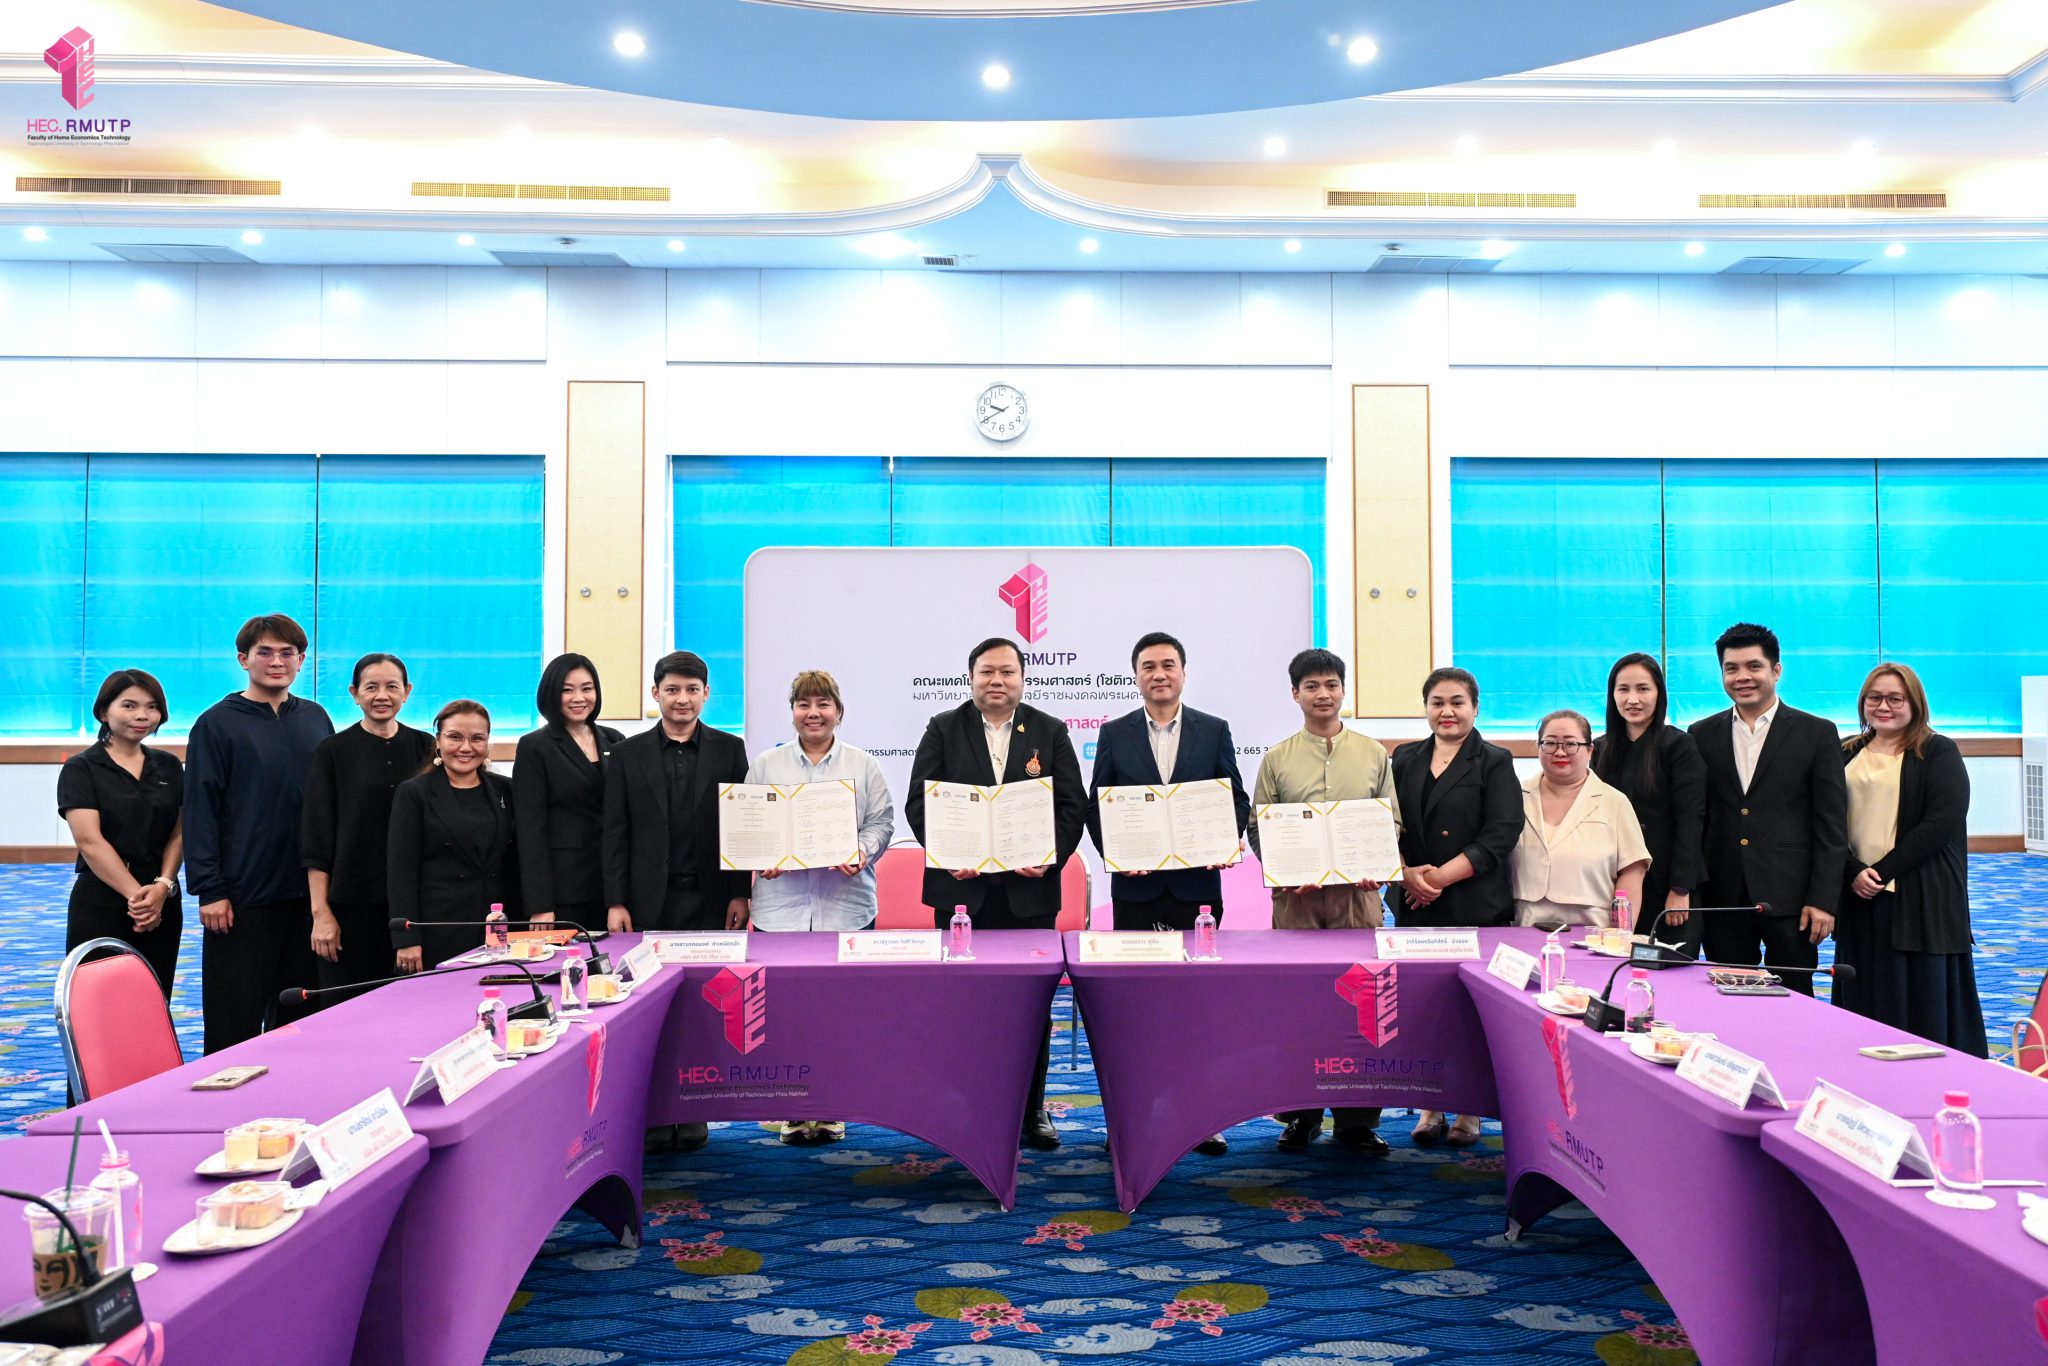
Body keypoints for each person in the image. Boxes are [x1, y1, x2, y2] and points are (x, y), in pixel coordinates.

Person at [906, 636, 1085, 1152]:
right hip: (962, 896)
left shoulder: (1049, 731)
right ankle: (967, 1109)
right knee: (964, 1008)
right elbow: (920, 802)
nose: (997, 681)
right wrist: (947, 852)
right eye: (987, 672)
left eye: (1007, 672)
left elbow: (1071, 806)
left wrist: (1048, 857)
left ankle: (1033, 1109)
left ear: (1023, 678)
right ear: (971, 677)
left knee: (1031, 1008)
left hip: (1029, 896)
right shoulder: (943, 728)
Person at [1086, 630, 1250, 1157]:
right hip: (1136, 891)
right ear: (1136, 676)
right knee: (1137, 1006)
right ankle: (1131, 1117)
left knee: (1195, 1005)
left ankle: (1201, 1117)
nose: (1159, 674)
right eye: (1149, 666)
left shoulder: (1214, 730)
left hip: (1195, 889)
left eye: (1168, 665)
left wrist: (1223, 840)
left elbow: (1235, 798)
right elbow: (1098, 805)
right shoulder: (1115, 733)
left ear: (1183, 672)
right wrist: (1119, 854)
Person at [602, 650, 750, 1156]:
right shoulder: (626, 754)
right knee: (646, 1010)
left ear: (706, 694)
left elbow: (741, 828)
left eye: (691, 690)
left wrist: (740, 891)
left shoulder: (731, 749)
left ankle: (692, 1109)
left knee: (703, 1006)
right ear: (656, 694)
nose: (681, 699)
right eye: (672, 690)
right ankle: (652, 1112)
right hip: (647, 903)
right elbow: (615, 832)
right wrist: (616, 900)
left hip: (710, 899)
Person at [1249, 648, 1395, 1157]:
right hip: (1299, 905)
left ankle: (1358, 1123)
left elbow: (1391, 822)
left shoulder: (1373, 754)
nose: (1323, 694)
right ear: (1295, 694)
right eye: (1311, 686)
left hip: (1358, 901)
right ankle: (1299, 1116)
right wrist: (1287, 873)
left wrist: (1377, 862)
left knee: (1362, 1012)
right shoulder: (1277, 758)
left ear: (1343, 690)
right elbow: (1259, 826)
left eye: (1331, 684)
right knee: (1299, 1011)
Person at [748, 669, 896, 1144]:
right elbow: (750, 824)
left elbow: (882, 823)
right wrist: (761, 854)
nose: (813, 713)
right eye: (803, 704)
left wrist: (862, 851)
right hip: (780, 911)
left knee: (842, 1013)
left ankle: (833, 1106)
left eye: (822, 704)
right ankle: (792, 1109)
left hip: (846, 908)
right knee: (784, 1012)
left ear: (838, 711)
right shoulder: (766, 766)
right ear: (792, 711)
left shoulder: (863, 765)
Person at [185, 614, 335, 1053]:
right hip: (241, 897)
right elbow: (200, 811)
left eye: (287, 653)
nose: (277, 661)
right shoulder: (216, 723)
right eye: (265, 652)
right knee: (234, 1019)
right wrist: (210, 890)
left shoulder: (315, 717)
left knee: (302, 1016)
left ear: (301, 660)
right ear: (243, 659)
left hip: (306, 895)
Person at [1385, 666, 1520, 1150]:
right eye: (1437, 702)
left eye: (1457, 702)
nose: (1447, 711)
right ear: (1426, 708)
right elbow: (1387, 823)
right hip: (1415, 904)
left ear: (1475, 708)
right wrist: (1407, 874)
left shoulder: (1495, 760)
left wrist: (1438, 879)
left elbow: (1502, 833)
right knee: (1423, 1010)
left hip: (1473, 904)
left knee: (1470, 1013)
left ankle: (1469, 1110)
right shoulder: (1404, 758)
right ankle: (1429, 1106)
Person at [1687, 622, 1849, 997]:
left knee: (1795, 995)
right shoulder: (1701, 733)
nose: (1742, 677)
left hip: (1792, 897)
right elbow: (1699, 816)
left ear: (1776, 670)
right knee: (1727, 995)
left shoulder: (1816, 732)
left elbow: (1831, 825)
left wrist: (1823, 900)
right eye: (1731, 668)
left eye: (1753, 666)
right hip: (1723, 896)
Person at [1835, 663, 1987, 1055]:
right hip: (1859, 894)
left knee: (1921, 999)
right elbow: (1827, 820)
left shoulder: (1938, 751)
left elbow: (1941, 823)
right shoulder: (1847, 751)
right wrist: (1854, 872)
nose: (1883, 706)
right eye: (1874, 698)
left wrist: (1880, 873)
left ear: (1914, 703)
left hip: (1920, 896)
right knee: (1865, 993)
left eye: (1895, 699)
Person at [300, 654, 434, 997]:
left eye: (392, 687)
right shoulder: (332, 751)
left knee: (410, 1005)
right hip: (350, 906)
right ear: (354, 693)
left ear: (407, 692)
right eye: (371, 687)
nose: (382, 696)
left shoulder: (426, 747)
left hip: (414, 906)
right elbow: (317, 839)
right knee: (346, 1007)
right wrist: (321, 913)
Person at [57, 670, 183, 997]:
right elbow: (90, 842)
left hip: (162, 897)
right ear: (104, 712)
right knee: (99, 1000)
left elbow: (179, 831)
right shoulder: (81, 767)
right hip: (103, 897)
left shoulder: (169, 766)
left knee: (154, 997)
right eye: (129, 706)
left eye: (152, 707)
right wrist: (139, 899)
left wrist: (162, 887)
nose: (142, 715)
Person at [386, 700, 519, 974]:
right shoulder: (414, 793)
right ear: (438, 740)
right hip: (438, 928)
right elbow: (401, 872)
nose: (466, 747)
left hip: (498, 928)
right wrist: (407, 938)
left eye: (477, 738)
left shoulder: (505, 789)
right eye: (455, 737)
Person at [1593, 652, 1707, 954]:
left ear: (1659, 694)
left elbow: (1691, 819)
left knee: (1666, 968)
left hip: (1666, 886)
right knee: (1613, 964)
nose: (1632, 699)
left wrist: (1680, 888)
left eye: (1643, 689)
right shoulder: (1600, 749)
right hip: (1613, 886)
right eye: (1623, 689)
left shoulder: (1679, 745)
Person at [514, 653, 624, 934]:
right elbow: (530, 830)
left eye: (587, 688)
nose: (579, 698)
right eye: (567, 690)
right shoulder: (535, 746)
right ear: (551, 693)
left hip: (613, 885)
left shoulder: (615, 740)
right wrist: (540, 902)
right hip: (565, 890)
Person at [1511, 709, 1650, 928]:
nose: (1560, 752)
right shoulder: (1514, 796)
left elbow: (1633, 870)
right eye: (1550, 743)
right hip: (1525, 922)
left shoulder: (1614, 801)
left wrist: (1622, 933)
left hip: (1595, 926)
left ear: (1590, 750)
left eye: (1570, 744)